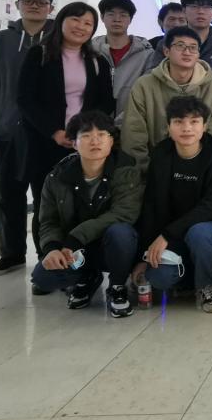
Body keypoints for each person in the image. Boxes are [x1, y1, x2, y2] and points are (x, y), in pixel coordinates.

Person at [18, 2, 115, 288]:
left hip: (84, 143)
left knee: (81, 203)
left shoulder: (97, 61)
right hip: (45, 141)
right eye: (76, 20)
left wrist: (86, 132)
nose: (81, 27)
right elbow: (25, 100)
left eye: (88, 23)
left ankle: (79, 262)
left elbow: (105, 101)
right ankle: (47, 259)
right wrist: (55, 132)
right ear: (61, 21)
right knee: (46, 204)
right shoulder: (39, 54)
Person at [0, 0, 55, 276]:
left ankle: (47, 254)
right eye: (28, 0)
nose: (34, 5)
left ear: (51, 7)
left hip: (47, 134)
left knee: (47, 198)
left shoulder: (58, 39)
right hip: (8, 130)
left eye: (41, 1)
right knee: (9, 195)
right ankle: (11, 254)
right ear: (17, 3)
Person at [30, 111, 142, 317]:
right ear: (74, 143)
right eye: (86, 136)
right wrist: (52, 248)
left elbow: (124, 214)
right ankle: (87, 278)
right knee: (43, 277)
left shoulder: (127, 171)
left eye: (102, 135)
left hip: (114, 248)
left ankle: (117, 286)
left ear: (111, 141)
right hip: (75, 252)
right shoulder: (57, 177)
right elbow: (48, 221)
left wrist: (75, 237)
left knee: (121, 232)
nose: (95, 141)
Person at [133, 96, 212, 312]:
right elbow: (151, 205)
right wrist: (142, 255)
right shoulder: (161, 154)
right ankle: (190, 274)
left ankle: (207, 286)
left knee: (200, 233)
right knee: (158, 279)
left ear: (204, 126)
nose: (187, 128)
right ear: (169, 127)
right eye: (178, 122)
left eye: (194, 121)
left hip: (209, 228)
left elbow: (211, 206)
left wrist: (166, 235)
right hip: (172, 233)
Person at [122, 25, 212, 170]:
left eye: (193, 48)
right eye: (180, 46)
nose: (187, 52)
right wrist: (146, 170)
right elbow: (134, 134)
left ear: (198, 53)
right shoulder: (144, 85)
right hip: (152, 168)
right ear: (166, 51)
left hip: (197, 169)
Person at [91, 0, 153, 126]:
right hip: (94, 125)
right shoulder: (90, 52)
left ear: (130, 19)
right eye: (111, 14)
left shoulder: (147, 55)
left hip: (132, 124)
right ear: (102, 17)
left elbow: (147, 93)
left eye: (123, 15)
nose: (117, 19)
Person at [145, 0, 212, 77]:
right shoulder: (167, 42)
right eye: (194, 6)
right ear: (184, 10)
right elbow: (153, 75)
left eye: (206, 7)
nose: (200, 11)